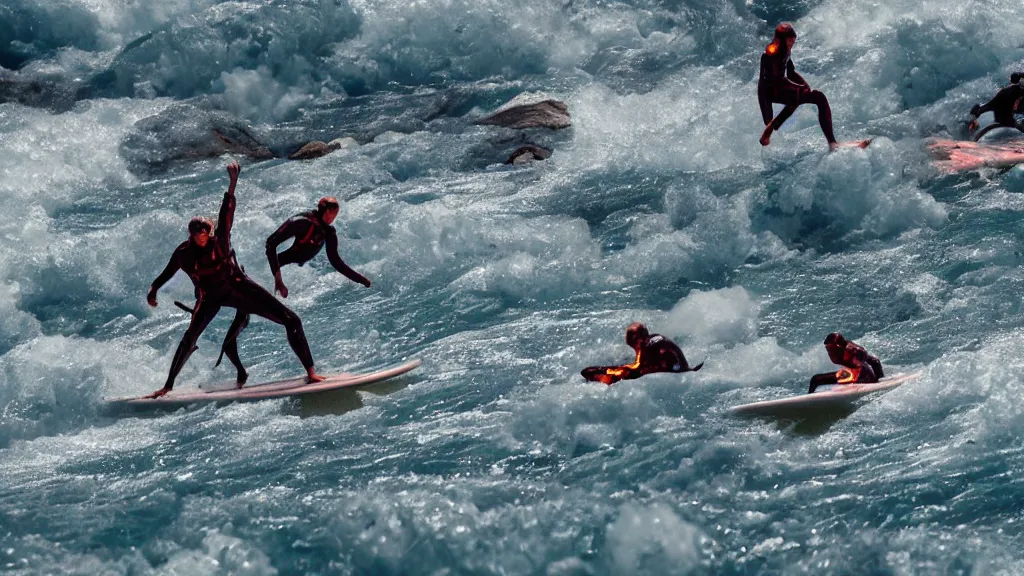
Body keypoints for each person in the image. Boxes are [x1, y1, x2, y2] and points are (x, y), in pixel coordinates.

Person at [145, 162, 325, 399]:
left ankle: (311, 373)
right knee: (189, 338)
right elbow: (168, 272)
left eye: (205, 234)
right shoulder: (183, 253)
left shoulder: (219, 241)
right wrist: (154, 289)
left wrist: (232, 185)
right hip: (209, 296)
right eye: (198, 235)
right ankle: (167, 386)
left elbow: (226, 215)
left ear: (209, 233)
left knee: (291, 320)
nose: (203, 238)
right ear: (191, 235)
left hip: (237, 287)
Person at [203, 196, 373, 383]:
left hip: (286, 275)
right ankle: (308, 372)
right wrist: (278, 278)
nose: (334, 218)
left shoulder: (328, 233)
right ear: (323, 211)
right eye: (332, 214)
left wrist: (360, 279)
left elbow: (336, 262)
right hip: (269, 273)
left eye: (336, 215)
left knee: (262, 316)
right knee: (253, 315)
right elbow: (271, 243)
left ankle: (234, 353)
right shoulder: (301, 223)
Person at [758, 23, 839, 151]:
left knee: (815, 97)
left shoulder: (785, 50)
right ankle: (770, 129)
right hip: (767, 93)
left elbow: (791, 72)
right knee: (809, 97)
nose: (791, 44)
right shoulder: (772, 53)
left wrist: (804, 85)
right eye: (789, 41)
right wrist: (800, 88)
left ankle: (832, 143)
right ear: (780, 40)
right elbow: (777, 81)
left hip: (777, 89)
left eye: (793, 41)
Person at [581, 322, 703, 385]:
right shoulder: (655, 338)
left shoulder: (647, 348)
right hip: (682, 369)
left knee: (590, 372)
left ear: (638, 340)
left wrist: (611, 371)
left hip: (675, 372)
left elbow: (636, 369)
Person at [807, 332, 884, 394]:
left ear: (838, 346)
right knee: (815, 379)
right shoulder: (839, 351)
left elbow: (875, 361)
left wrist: (880, 382)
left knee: (816, 379)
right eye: (827, 347)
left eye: (830, 347)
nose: (828, 349)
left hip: (861, 377)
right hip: (851, 374)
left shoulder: (851, 350)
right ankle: (809, 399)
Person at [968, 73, 1024, 141]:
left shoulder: (1005, 90)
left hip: (1002, 119)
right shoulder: (1015, 91)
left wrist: (978, 111)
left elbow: (990, 105)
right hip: (1007, 121)